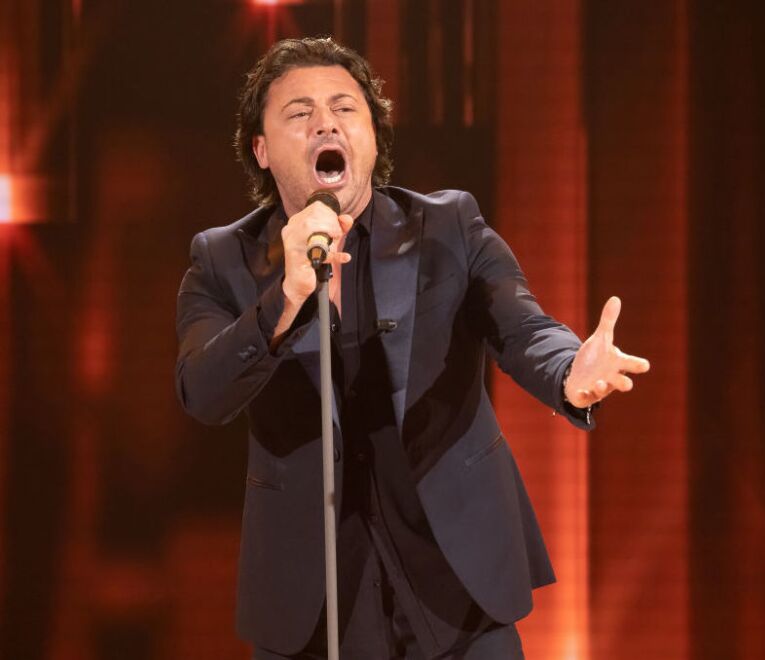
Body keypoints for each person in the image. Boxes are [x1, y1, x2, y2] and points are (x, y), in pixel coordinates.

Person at [175, 37, 649, 660]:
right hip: (312, 603)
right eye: (299, 112)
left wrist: (567, 372)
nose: (325, 121)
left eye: (345, 108)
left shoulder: (448, 226)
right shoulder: (222, 259)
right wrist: (283, 299)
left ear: (372, 136)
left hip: (456, 584)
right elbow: (202, 392)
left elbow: (523, 326)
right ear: (260, 150)